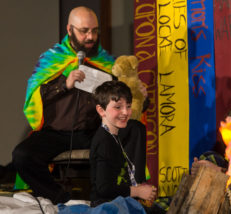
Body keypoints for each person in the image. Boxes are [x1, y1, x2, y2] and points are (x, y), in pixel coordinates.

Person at [12, 6, 147, 204]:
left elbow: (125, 103)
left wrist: (140, 96)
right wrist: (63, 84)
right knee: (22, 155)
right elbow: (34, 96)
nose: (90, 36)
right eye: (84, 31)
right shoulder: (52, 59)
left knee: (134, 129)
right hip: (56, 133)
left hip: (93, 131)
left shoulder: (107, 62)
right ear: (69, 30)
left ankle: (130, 195)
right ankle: (61, 199)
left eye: (94, 30)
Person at [90, 80, 156, 207]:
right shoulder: (104, 141)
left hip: (118, 202)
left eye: (129, 106)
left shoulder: (114, 137)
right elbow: (104, 189)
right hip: (107, 206)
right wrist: (137, 191)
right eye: (118, 107)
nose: (125, 112)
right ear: (101, 110)